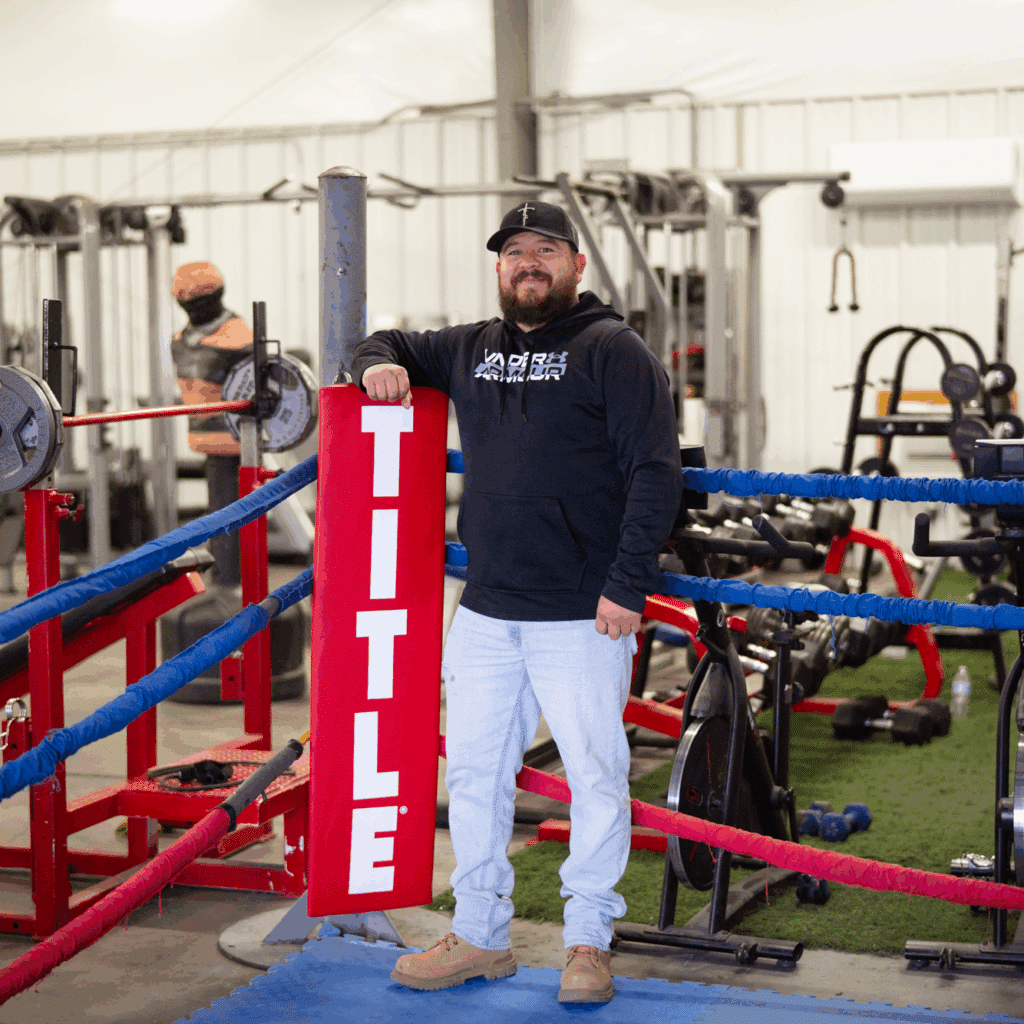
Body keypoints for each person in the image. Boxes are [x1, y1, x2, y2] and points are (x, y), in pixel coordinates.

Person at [345, 201, 681, 1005]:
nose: (529, 264)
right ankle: (480, 934)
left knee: (597, 775)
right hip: (488, 611)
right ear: (498, 269)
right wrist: (374, 366)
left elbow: (655, 471)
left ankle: (588, 944)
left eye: (546, 252)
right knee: (474, 775)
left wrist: (626, 584)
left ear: (576, 266)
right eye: (515, 253)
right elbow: (381, 343)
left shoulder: (615, 350)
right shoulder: (468, 347)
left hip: (582, 611)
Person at [170, 261, 252, 586]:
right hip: (208, 443)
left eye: (198, 296)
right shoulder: (181, 341)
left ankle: (230, 587)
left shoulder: (240, 338)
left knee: (234, 519)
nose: (192, 302)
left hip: (239, 446)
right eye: (185, 296)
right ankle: (226, 583)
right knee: (221, 518)